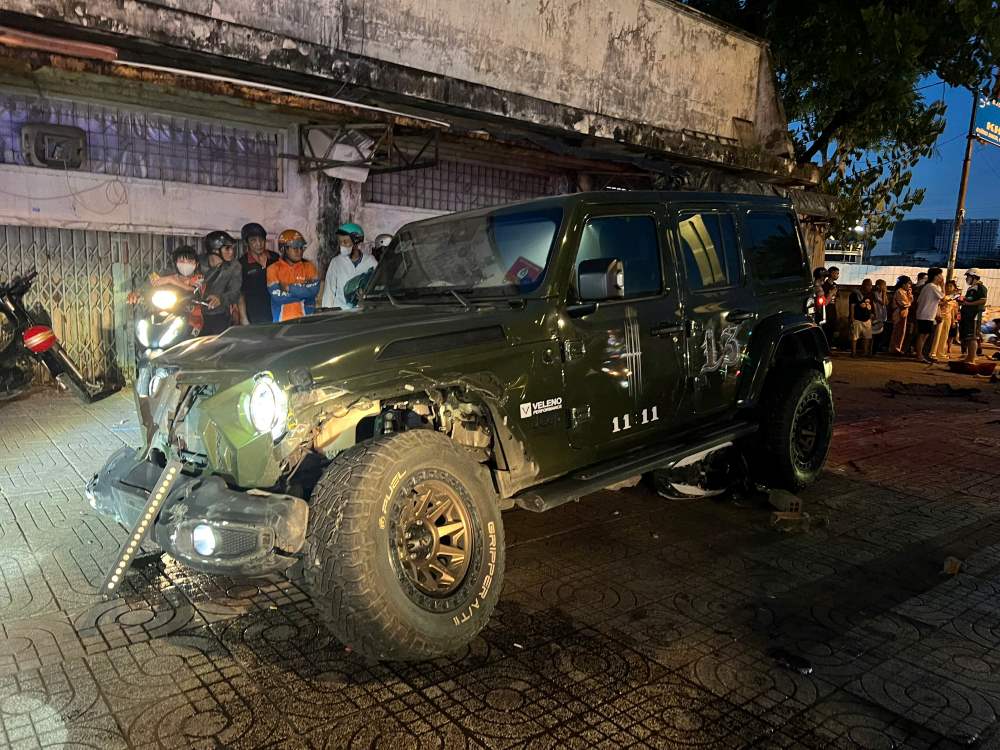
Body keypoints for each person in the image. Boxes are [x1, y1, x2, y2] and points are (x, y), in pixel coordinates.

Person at [126, 245, 206, 333]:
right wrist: (136, 293)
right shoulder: (166, 273)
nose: (185, 264)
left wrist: (170, 280)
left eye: (190, 261)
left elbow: (193, 290)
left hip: (191, 323)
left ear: (196, 264)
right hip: (167, 319)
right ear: (176, 263)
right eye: (182, 261)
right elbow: (150, 282)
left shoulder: (199, 278)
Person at [321, 222, 378, 311]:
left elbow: (377, 287)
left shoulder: (370, 261)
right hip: (340, 313)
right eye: (340, 242)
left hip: (362, 312)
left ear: (356, 242)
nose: (342, 245)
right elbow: (329, 291)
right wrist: (326, 313)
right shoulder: (336, 262)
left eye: (345, 242)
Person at [267, 229, 320, 321]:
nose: (299, 251)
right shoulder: (273, 269)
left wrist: (288, 288)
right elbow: (278, 297)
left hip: (307, 321)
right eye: (295, 247)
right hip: (282, 323)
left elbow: (313, 292)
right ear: (283, 249)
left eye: (301, 247)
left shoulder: (309, 267)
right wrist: (304, 294)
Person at [200, 231, 243, 336]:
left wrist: (221, 299)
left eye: (232, 248)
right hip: (196, 314)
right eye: (227, 248)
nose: (231, 252)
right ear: (215, 250)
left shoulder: (234, 266)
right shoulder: (198, 263)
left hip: (220, 315)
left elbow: (235, 292)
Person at [238, 222, 280, 325]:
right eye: (253, 240)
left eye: (261, 239)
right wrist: (243, 318)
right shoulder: (242, 264)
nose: (259, 244)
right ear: (246, 243)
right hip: (255, 313)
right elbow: (240, 294)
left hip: (277, 310)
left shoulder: (275, 258)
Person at [913, 267, 944, 363]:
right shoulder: (932, 286)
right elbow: (943, 297)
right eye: (940, 275)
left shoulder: (930, 286)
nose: (941, 277)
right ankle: (919, 355)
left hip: (927, 314)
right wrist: (943, 285)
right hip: (925, 314)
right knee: (922, 335)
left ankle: (921, 354)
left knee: (925, 335)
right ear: (935, 276)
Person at [960, 268, 989, 364]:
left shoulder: (980, 287)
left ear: (974, 276)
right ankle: (969, 357)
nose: (966, 279)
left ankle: (972, 358)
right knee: (968, 337)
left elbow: (983, 300)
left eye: (968, 276)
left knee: (972, 337)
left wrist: (968, 304)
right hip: (968, 316)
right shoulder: (972, 288)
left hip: (974, 316)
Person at [932, 279, 960, 361]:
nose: (948, 288)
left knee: (945, 336)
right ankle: (933, 352)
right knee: (937, 335)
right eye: (947, 286)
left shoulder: (954, 299)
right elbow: (938, 304)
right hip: (940, 317)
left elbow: (954, 311)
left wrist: (953, 321)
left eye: (951, 286)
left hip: (948, 318)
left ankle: (940, 353)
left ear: (954, 288)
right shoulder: (942, 295)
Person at [849, 278, 875, 357]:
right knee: (855, 336)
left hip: (867, 318)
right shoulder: (855, 294)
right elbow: (852, 306)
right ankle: (853, 352)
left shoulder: (870, 294)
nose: (870, 287)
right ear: (864, 285)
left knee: (867, 336)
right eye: (869, 285)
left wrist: (872, 314)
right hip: (857, 318)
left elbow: (872, 305)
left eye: (871, 285)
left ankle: (865, 352)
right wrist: (852, 317)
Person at [889, 276, 913, 355]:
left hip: (903, 314)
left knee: (901, 331)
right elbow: (903, 304)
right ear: (903, 284)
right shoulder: (899, 291)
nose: (909, 286)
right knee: (897, 331)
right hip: (899, 314)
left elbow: (910, 300)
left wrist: (909, 295)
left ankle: (897, 348)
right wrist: (909, 303)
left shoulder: (905, 292)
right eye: (908, 284)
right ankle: (894, 349)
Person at [822, 266, 840, 346]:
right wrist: (831, 293)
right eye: (836, 273)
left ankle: (829, 348)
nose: (837, 275)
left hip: (833, 310)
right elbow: (824, 301)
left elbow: (837, 299)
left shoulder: (835, 285)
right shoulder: (824, 285)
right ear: (831, 274)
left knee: (832, 329)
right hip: (826, 310)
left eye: (838, 274)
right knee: (826, 329)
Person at [872, 278, 889, 353]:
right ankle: (873, 349)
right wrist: (884, 292)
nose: (885, 287)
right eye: (884, 285)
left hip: (882, 314)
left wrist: (884, 293)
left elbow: (887, 302)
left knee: (881, 333)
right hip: (877, 314)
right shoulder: (875, 293)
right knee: (875, 332)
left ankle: (877, 348)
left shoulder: (882, 294)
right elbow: (883, 303)